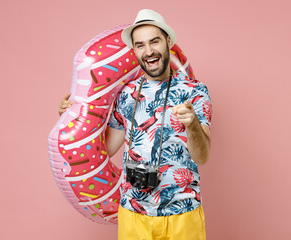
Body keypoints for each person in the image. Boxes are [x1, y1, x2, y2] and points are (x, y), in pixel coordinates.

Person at [59, 9, 212, 240]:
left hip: (183, 212)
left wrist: (192, 125)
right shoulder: (127, 94)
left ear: (168, 42)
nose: (149, 51)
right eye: (140, 45)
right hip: (133, 213)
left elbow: (202, 157)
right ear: (134, 50)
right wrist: (73, 115)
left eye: (154, 41)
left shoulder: (195, 91)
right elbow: (107, 148)